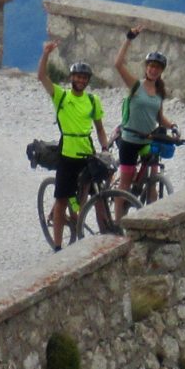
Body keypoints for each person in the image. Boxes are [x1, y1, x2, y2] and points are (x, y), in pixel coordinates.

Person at [36, 39, 110, 249]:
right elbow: (42, 77)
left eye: (84, 77)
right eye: (77, 76)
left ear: (87, 81)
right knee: (61, 200)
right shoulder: (61, 96)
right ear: (71, 78)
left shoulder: (93, 100)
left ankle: (105, 235)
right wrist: (46, 54)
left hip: (88, 153)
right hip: (67, 155)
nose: (80, 80)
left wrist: (104, 149)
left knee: (98, 196)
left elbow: (100, 129)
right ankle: (58, 247)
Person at [111, 25, 179, 216]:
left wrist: (172, 126)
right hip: (129, 140)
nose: (153, 70)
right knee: (125, 182)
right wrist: (129, 39)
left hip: (148, 140)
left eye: (157, 67)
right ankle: (118, 224)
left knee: (153, 180)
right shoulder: (135, 86)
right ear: (146, 67)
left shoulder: (159, 92)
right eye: (151, 66)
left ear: (161, 71)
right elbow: (118, 64)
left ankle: (152, 217)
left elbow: (159, 117)